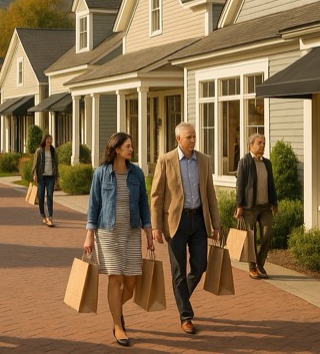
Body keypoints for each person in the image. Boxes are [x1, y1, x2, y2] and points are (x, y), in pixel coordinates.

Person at [84, 132, 153, 348]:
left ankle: (116, 308)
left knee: (131, 283)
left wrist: (148, 231)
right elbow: (94, 205)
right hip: (108, 233)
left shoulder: (137, 173)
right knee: (115, 278)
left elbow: (143, 204)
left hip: (131, 232)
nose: (131, 149)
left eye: (131, 146)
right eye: (128, 146)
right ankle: (117, 325)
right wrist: (89, 235)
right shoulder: (101, 173)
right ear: (117, 149)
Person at [151, 122, 219, 335]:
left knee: (200, 266)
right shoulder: (166, 160)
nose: (193, 140)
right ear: (178, 139)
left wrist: (216, 224)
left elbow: (210, 194)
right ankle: (186, 316)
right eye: (189, 137)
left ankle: (182, 298)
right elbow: (156, 196)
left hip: (198, 221)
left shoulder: (204, 160)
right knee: (178, 270)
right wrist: (156, 226)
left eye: (194, 136)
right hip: (176, 223)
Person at [235, 133, 278, 279]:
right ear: (251, 145)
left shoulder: (267, 163)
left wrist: (274, 203)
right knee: (251, 237)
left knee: (267, 233)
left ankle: (260, 263)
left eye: (264, 143)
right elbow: (240, 185)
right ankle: (252, 267)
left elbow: (271, 184)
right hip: (250, 207)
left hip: (266, 207)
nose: (262, 146)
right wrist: (239, 205)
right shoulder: (244, 162)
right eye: (259, 143)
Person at [32, 134, 60, 227]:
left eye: (51, 139)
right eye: (48, 139)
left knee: (50, 196)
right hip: (41, 177)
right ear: (44, 140)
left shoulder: (53, 151)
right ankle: (43, 215)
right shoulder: (39, 150)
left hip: (50, 177)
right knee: (41, 197)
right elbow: (35, 163)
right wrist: (35, 174)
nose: (49, 141)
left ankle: (50, 217)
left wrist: (57, 175)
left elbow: (56, 163)